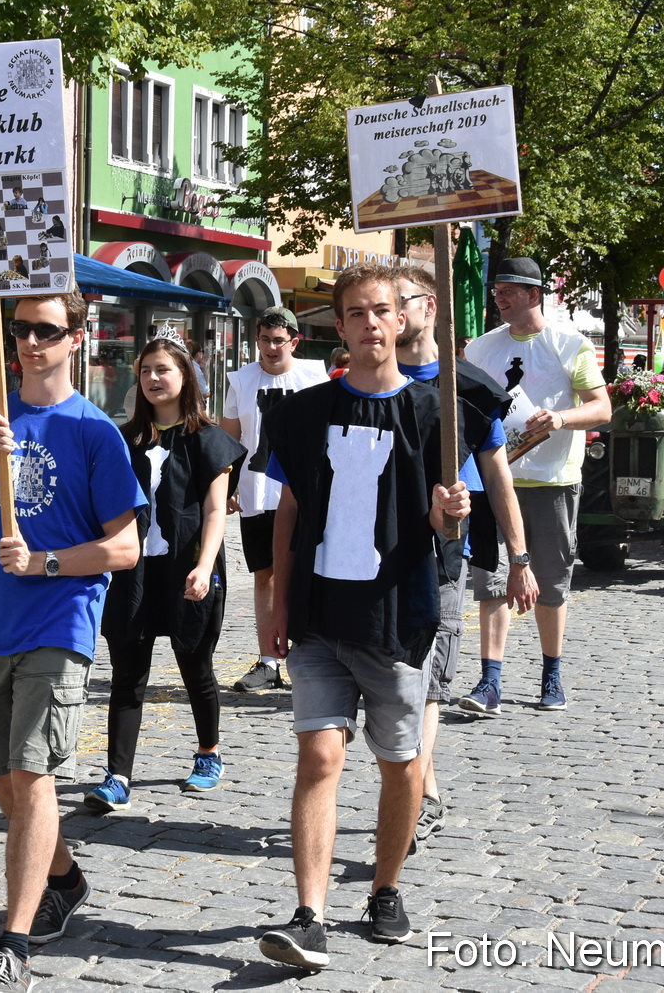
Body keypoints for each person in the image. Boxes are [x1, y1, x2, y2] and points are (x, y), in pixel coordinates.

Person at [254, 265, 472, 966]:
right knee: (319, 754)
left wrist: (449, 515)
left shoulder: (436, 413)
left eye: (381, 310)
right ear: (340, 327)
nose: (370, 322)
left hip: (396, 619)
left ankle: (385, 887)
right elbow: (289, 512)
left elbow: (447, 527)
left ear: (401, 319)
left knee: (400, 766)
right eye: (356, 312)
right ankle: (309, 914)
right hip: (319, 616)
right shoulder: (303, 413)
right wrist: (278, 602)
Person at [0, 291, 144, 993]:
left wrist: (46, 562)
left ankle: (14, 940)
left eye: (46, 330)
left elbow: (126, 547)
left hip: (58, 620)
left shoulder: (94, 432)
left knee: (30, 773)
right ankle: (66, 877)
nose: (29, 341)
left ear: (77, 338)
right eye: (20, 328)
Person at [393, 266, 537, 853]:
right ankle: (419, 790)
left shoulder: (472, 389)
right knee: (394, 684)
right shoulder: (368, 380)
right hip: (375, 552)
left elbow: (499, 479)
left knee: (430, 680)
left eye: (398, 303)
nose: (388, 315)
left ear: (430, 307)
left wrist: (519, 558)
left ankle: (414, 796)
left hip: (444, 550)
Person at [87, 336, 244, 815]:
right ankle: (117, 776)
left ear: (184, 377)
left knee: (195, 667)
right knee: (127, 675)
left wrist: (204, 565)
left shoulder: (208, 439)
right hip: (133, 573)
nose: (153, 379)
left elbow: (215, 511)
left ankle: (208, 752)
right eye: (146, 371)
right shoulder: (124, 439)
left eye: (163, 370)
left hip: (188, 570)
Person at [459, 257, 611, 713]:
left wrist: (560, 418)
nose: (498, 298)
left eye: (507, 291)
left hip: (550, 480)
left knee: (549, 582)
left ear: (533, 294)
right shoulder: (480, 348)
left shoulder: (570, 344)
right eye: (496, 291)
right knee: (491, 580)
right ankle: (489, 682)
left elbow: (602, 408)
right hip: (493, 479)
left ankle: (552, 676)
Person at [220, 307, 330, 692]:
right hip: (257, 491)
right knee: (264, 574)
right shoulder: (241, 380)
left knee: (309, 572)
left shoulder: (314, 378)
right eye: (264, 340)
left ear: (294, 342)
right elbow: (229, 439)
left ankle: (312, 657)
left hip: (304, 494)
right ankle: (268, 660)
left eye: (278, 341)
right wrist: (228, 487)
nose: (270, 348)